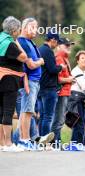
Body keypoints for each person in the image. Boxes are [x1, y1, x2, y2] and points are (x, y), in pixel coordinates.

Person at [0, 16, 38, 152]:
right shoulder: (10, 43)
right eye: (18, 29)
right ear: (14, 30)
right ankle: (9, 144)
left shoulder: (1, 39)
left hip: (1, 78)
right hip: (9, 80)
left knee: (1, 112)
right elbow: (23, 57)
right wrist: (17, 41)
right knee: (8, 112)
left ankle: (2, 143)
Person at [16, 17, 49, 150]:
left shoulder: (29, 42)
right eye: (33, 27)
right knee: (27, 111)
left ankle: (24, 139)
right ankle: (24, 139)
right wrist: (40, 61)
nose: (36, 30)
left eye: (36, 27)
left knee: (28, 110)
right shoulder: (23, 42)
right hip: (29, 81)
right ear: (25, 27)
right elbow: (30, 64)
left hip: (34, 81)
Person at [38, 29, 65, 136]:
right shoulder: (48, 51)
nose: (57, 44)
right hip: (49, 88)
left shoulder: (40, 49)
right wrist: (61, 67)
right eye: (57, 41)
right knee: (48, 117)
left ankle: (40, 140)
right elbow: (52, 69)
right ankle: (45, 142)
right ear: (53, 40)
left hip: (41, 87)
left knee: (43, 116)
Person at [51, 38, 75, 144]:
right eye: (66, 45)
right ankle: (54, 142)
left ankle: (57, 141)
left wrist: (70, 79)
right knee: (58, 119)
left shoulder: (64, 58)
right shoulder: (58, 58)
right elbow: (57, 79)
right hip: (60, 93)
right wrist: (69, 79)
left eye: (70, 45)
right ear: (59, 46)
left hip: (65, 92)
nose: (69, 46)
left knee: (60, 119)